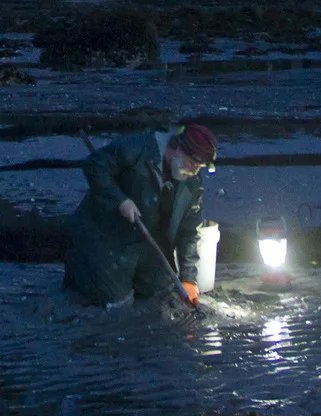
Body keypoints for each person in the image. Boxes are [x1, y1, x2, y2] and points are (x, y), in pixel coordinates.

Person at [62, 121, 218, 305]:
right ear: (176, 149)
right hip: (107, 237)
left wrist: (189, 278)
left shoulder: (192, 183)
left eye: (199, 167)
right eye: (192, 163)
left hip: (147, 240)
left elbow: (189, 231)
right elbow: (95, 165)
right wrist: (119, 201)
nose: (194, 172)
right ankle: (80, 270)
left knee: (161, 295)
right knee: (118, 301)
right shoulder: (137, 149)